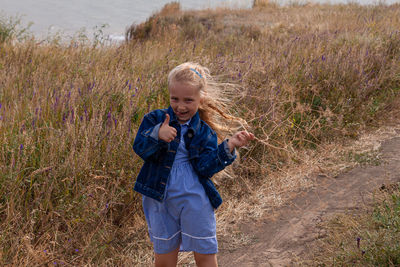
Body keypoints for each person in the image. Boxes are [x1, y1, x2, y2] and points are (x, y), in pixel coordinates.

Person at [132, 62, 254, 267]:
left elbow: (205, 167)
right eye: (175, 99)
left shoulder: (204, 131)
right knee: (164, 258)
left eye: (188, 100)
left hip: (194, 196)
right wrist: (157, 135)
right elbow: (140, 148)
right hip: (159, 198)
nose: (180, 106)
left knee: (205, 254)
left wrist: (229, 145)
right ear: (169, 95)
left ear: (201, 98)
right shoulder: (155, 119)